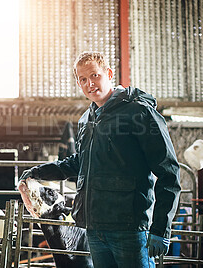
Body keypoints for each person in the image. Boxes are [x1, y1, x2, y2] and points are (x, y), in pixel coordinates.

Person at [20, 51, 181, 267]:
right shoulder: (87, 119)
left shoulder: (139, 113)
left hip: (129, 228)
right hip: (94, 229)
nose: (90, 84)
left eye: (95, 75)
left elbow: (168, 172)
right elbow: (80, 162)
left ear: (109, 74)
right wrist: (39, 171)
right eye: (83, 79)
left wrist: (161, 228)